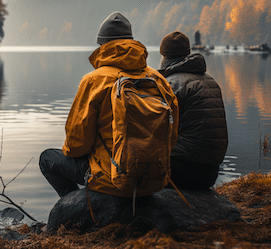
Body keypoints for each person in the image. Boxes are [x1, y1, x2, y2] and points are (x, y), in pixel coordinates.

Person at [39, 12, 177, 197]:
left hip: (110, 179)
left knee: (47, 158)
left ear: (102, 45)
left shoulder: (94, 80)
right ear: (131, 42)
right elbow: (172, 135)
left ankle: (76, 203)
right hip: (155, 179)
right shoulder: (158, 79)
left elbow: (77, 144)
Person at [158, 31, 228, 189]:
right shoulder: (210, 81)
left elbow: (155, 130)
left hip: (181, 170)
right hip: (210, 173)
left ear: (164, 56)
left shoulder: (170, 85)